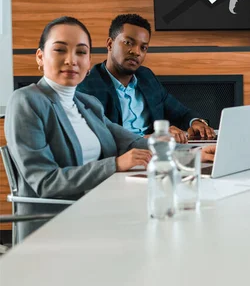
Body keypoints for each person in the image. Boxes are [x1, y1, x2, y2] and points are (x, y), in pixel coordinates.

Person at [4, 16, 153, 242]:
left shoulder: (87, 103)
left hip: (102, 212)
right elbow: (45, 182)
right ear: (40, 57)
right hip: (58, 226)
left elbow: (131, 142)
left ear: (89, 60)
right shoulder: (26, 101)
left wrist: (190, 154)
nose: (71, 60)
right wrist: (114, 164)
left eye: (81, 52)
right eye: (60, 50)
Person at [77, 14, 216, 143]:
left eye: (143, 47)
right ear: (109, 44)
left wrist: (196, 123)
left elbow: (181, 112)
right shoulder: (87, 85)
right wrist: (149, 139)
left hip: (156, 154)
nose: (136, 52)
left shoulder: (146, 77)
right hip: (122, 159)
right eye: (128, 43)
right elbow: (98, 138)